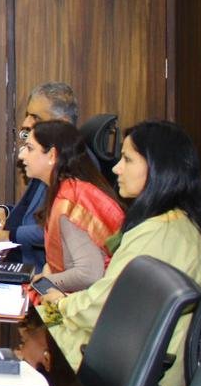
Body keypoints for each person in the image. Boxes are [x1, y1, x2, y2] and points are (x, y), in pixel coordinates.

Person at [40, 120, 201, 386]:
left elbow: (104, 308)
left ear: (158, 167)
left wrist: (57, 305)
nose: (116, 168)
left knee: (37, 331)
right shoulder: (175, 221)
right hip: (139, 350)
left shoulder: (159, 233)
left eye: (127, 159)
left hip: (133, 363)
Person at [19, 120, 125, 293]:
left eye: (30, 148)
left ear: (52, 156)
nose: (22, 156)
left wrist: (44, 282)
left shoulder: (69, 203)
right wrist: (48, 270)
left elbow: (88, 274)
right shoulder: (69, 189)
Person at [0, 81, 80, 267]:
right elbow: (32, 211)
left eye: (35, 117)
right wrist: (4, 210)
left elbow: (58, 228)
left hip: (34, 268)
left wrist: (11, 235)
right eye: (27, 115)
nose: (26, 123)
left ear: (62, 123)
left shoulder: (73, 165)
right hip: (14, 255)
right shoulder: (44, 158)